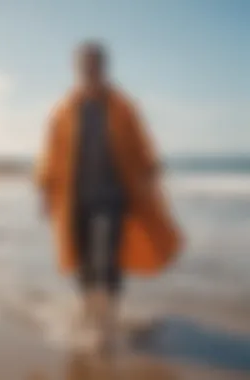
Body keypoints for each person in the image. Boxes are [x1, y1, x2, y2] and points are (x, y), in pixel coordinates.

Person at [35, 41, 182, 353]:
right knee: (84, 259)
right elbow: (51, 153)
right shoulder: (64, 110)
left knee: (110, 258)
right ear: (77, 69)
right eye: (85, 65)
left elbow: (141, 142)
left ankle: (108, 319)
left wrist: (152, 171)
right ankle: (89, 310)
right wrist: (44, 189)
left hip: (114, 195)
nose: (91, 70)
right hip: (76, 197)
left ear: (104, 67)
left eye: (96, 64)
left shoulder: (122, 107)